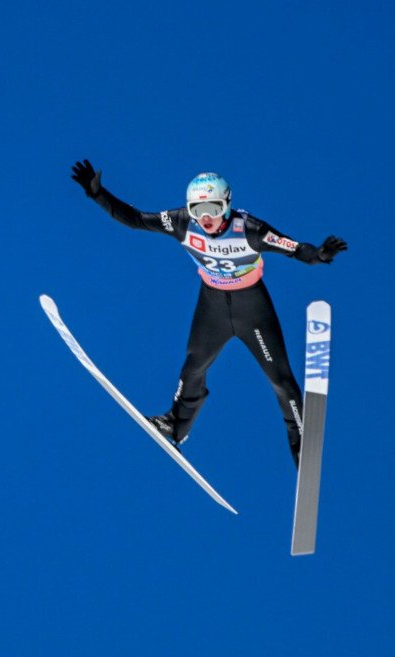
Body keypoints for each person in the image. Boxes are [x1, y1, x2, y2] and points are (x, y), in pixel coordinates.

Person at [70, 159, 347, 468]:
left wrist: (319, 256)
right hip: (212, 307)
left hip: (252, 309)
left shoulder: (250, 229)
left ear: (226, 205)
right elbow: (136, 219)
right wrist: (97, 194)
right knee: (192, 369)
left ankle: (301, 444)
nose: (205, 219)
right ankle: (175, 426)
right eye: (197, 211)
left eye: (213, 210)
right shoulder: (181, 223)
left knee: (281, 380)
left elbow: (294, 248)